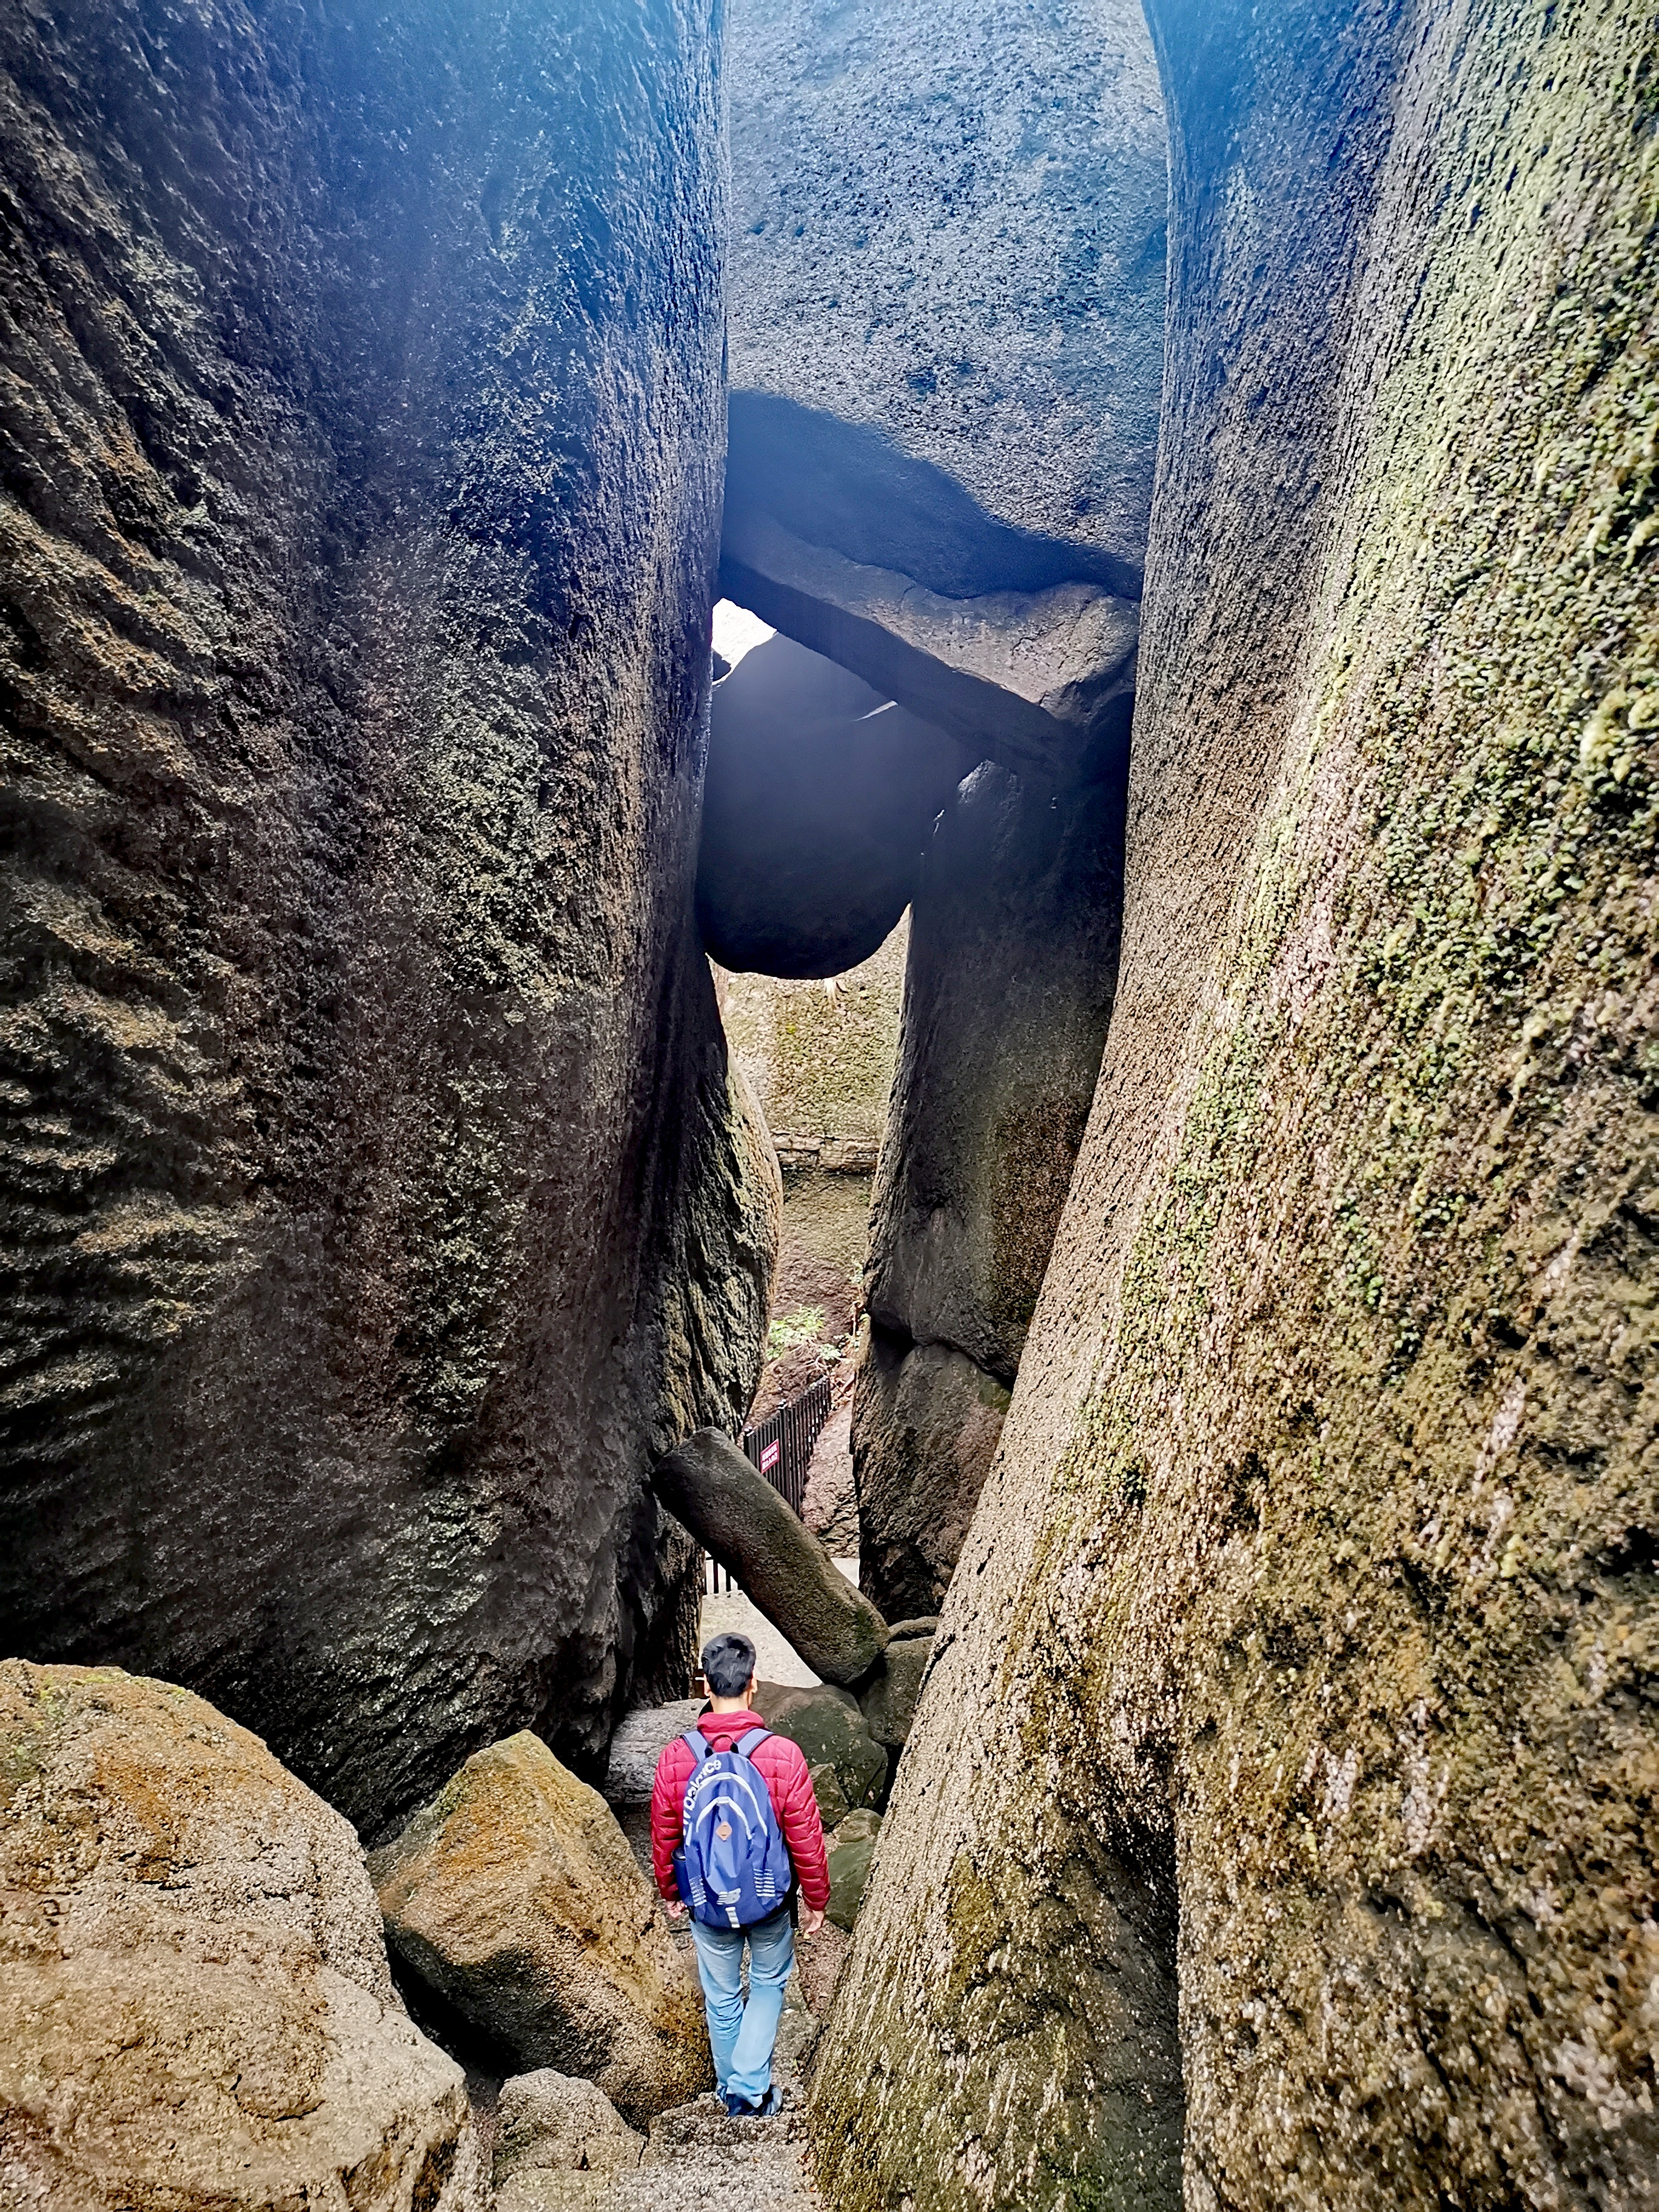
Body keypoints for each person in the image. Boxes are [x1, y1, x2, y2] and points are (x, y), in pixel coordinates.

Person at [650, 1632, 830, 2117]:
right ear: (753, 1684)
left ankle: (734, 2089)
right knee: (770, 1982)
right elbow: (805, 1837)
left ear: (705, 1685)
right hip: (770, 1899)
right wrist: (816, 1897)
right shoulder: (782, 1755)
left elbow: (666, 1833)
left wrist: (670, 1890)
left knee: (722, 1993)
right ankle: (751, 2088)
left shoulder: (676, 1757)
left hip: (707, 1900)